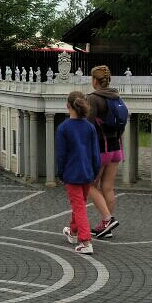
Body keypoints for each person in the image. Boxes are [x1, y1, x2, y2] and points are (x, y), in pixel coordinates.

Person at [57, 91, 102, 255]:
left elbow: (62, 155)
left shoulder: (63, 128)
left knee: (79, 206)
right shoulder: (90, 127)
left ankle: (85, 241)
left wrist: (60, 174)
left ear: (68, 106)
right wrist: (95, 171)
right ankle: (73, 231)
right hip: (88, 173)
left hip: (72, 174)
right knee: (80, 203)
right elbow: (95, 154)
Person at [85, 65, 124, 238]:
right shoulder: (116, 97)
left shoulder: (93, 99)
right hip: (116, 147)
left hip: (101, 148)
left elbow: (88, 125)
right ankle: (106, 227)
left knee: (89, 185)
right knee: (108, 187)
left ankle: (107, 220)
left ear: (95, 80)